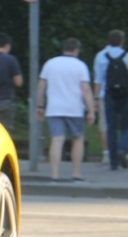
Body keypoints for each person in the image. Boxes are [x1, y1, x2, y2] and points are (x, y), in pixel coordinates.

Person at [37, 38, 96, 181]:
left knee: (57, 140)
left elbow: (41, 87)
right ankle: (76, 173)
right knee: (78, 138)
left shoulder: (50, 64)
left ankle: (55, 175)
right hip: (74, 109)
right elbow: (86, 90)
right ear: (76, 50)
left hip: (54, 108)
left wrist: (39, 106)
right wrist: (91, 110)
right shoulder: (80, 66)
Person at [92, 30, 128, 171]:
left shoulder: (101, 57)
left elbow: (98, 80)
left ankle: (113, 162)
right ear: (122, 41)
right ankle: (122, 149)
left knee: (111, 127)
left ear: (108, 41)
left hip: (109, 95)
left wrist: (95, 98)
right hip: (125, 95)